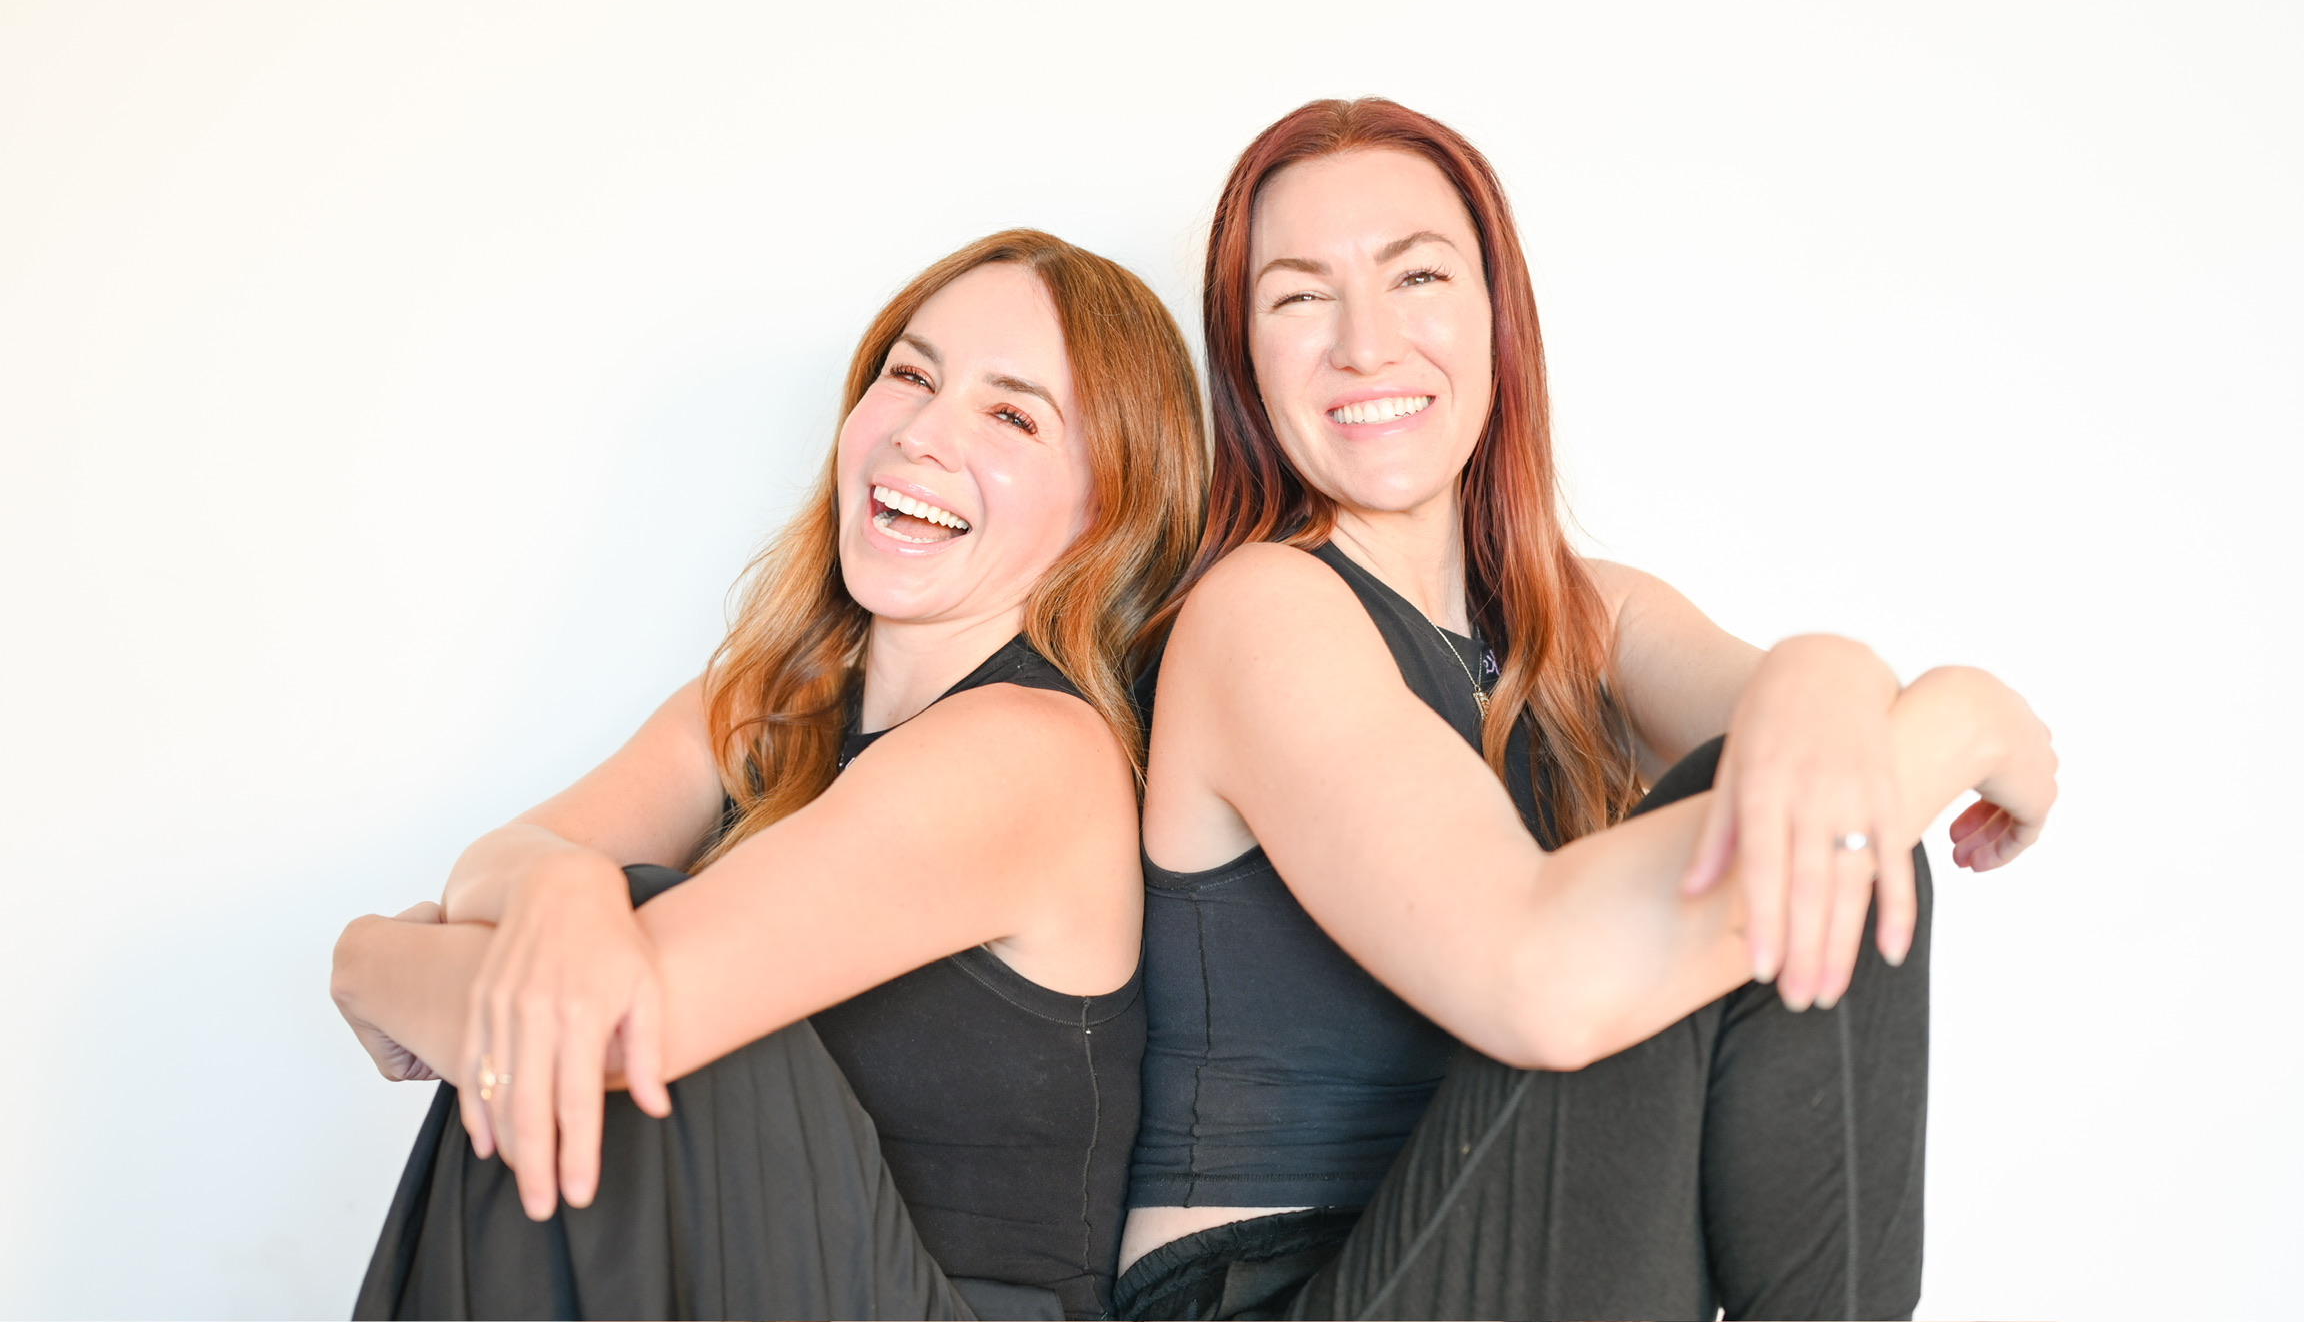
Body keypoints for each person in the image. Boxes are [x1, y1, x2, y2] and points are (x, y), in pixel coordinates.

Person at [1116, 99, 2058, 1321]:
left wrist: (1828, 665)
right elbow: (1536, 979)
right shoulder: (1259, 612)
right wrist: (1967, 715)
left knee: (1836, 823)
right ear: (1244, 357)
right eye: (1299, 297)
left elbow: (1817, 745)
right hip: (1287, 1287)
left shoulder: (1584, 616)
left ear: (1498, 320)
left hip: (1541, 1255)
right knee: (1820, 826)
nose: (1365, 342)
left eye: (1418, 277)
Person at [329, 229, 1206, 1321]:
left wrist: (370, 962)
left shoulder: (1033, 750)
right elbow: (502, 867)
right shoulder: (765, 704)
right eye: (911, 375)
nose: (925, 433)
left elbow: (608, 1032)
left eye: (1012, 414)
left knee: (615, 958)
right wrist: (558, 888)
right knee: (579, 957)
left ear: (1105, 511)